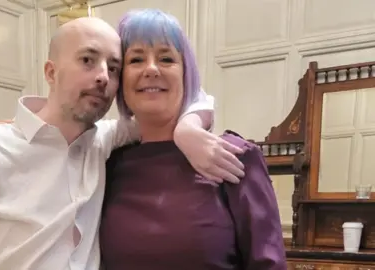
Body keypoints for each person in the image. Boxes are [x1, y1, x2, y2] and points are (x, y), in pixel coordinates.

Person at [0, 16, 246, 270]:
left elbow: (183, 98)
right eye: (87, 60)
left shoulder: (107, 141)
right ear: (51, 72)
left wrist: (188, 131)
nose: (102, 77)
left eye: (113, 68)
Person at [99, 9, 287, 270]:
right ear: (120, 81)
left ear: (186, 76)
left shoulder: (235, 156)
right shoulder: (107, 165)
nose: (151, 69)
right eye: (136, 60)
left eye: (166, 58)